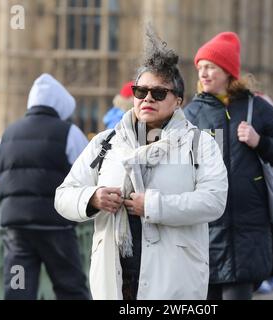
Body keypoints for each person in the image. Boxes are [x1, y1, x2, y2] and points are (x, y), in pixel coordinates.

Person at [54, 29, 228, 300]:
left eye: (158, 93)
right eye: (140, 91)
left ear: (178, 101)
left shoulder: (200, 144)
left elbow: (214, 201)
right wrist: (92, 197)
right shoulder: (106, 143)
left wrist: (153, 206)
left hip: (173, 280)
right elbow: (63, 195)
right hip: (115, 279)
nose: (147, 98)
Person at [184, 31, 273, 300]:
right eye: (200, 68)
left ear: (228, 71)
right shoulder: (191, 113)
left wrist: (260, 142)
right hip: (206, 231)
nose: (204, 73)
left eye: (210, 67)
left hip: (248, 231)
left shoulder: (257, 108)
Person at [0, 73, 90, 300]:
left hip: (18, 232)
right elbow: (85, 174)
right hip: (57, 230)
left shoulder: (7, 134)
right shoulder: (69, 133)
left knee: (18, 289)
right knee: (70, 287)